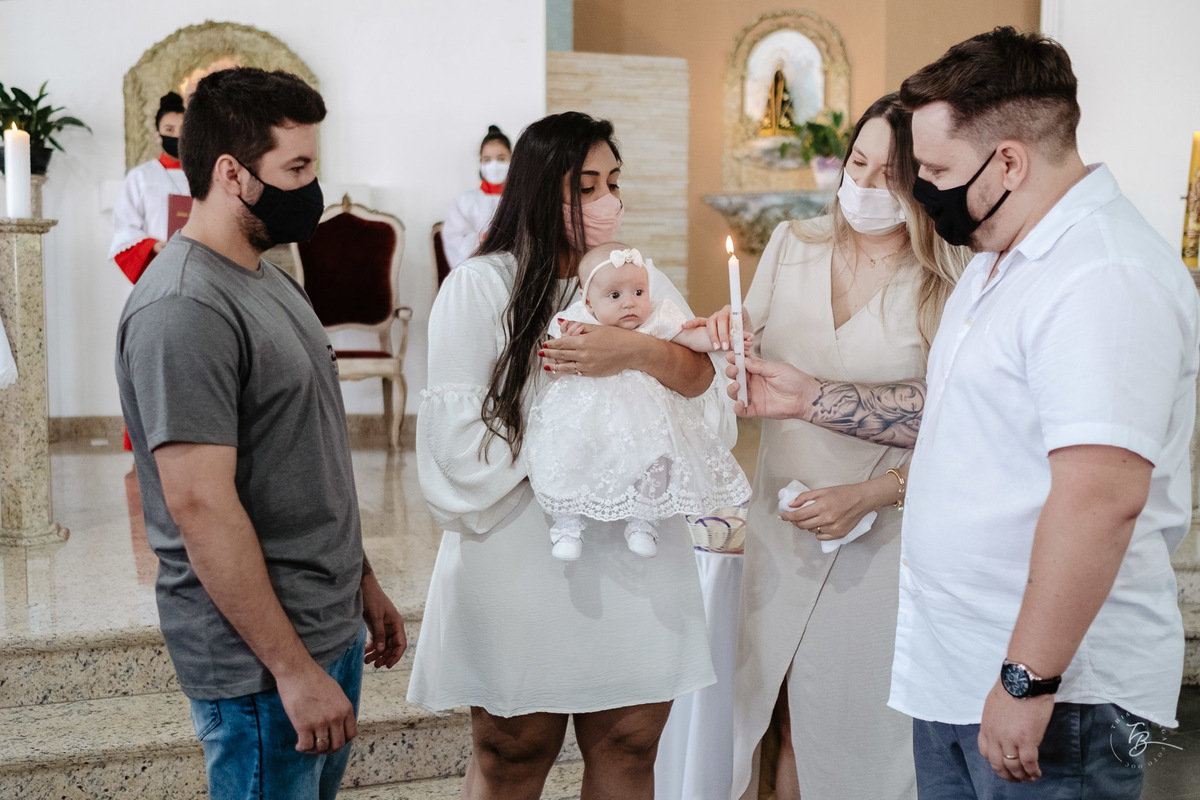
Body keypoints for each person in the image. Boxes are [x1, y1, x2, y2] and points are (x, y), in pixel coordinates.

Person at [727, 28, 1198, 800]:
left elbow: (1101, 498)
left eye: (937, 171)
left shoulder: (1100, 276)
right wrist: (809, 397)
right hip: (955, 667)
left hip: (1054, 691)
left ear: (1008, 161)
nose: (923, 192)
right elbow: (952, 419)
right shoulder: (999, 259)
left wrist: (1025, 680)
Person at [410, 111, 734, 799]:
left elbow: (703, 393)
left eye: (613, 182)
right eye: (585, 187)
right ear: (535, 191)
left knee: (631, 740)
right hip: (521, 537)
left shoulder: (638, 281)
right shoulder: (480, 287)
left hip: (633, 548)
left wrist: (636, 351)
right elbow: (458, 446)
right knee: (513, 750)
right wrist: (578, 430)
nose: (606, 201)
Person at [115, 68, 407, 800]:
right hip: (258, 664)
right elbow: (201, 506)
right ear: (231, 173)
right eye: (297, 169)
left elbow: (303, 450)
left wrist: (360, 580)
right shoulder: (183, 308)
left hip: (322, 622)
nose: (311, 188)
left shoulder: (270, 278)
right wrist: (291, 669)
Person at [722, 93, 966, 800]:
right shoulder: (795, 245)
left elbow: (960, 425)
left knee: (853, 733)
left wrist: (873, 494)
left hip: (883, 533)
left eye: (887, 172)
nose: (863, 184)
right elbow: (748, 347)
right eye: (856, 162)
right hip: (783, 517)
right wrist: (721, 349)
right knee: (778, 717)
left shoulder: (944, 278)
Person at [526, 243, 750, 560]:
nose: (630, 303)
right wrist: (568, 344)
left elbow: (693, 339)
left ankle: (644, 519)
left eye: (639, 292)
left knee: (657, 457)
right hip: (586, 412)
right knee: (569, 452)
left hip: (643, 413)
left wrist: (726, 336)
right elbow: (555, 368)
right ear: (587, 301)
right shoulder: (574, 320)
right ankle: (567, 524)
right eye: (615, 296)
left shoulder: (657, 317)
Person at [110, 91, 190, 284]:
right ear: (157, 135)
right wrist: (153, 246)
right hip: (158, 265)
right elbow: (125, 227)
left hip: (195, 264)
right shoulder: (141, 176)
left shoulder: (203, 175)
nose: (177, 136)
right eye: (169, 130)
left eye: (183, 130)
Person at [442, 125, 511, 267]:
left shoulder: (522, 201)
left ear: (512, 159)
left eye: (501, 158)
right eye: (487, 160)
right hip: (476, 272)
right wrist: (481, 239)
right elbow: (455, 241)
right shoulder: (463, 203)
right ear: (480, 163)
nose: (494, 165)